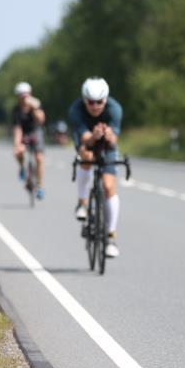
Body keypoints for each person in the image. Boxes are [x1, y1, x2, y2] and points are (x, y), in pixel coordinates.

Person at [68, 77, 124, 258]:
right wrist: (94, 136)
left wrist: (107, 135)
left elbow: (114, 140)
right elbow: (85, 139)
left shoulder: (115, 109)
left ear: (105, 100)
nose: (95, 106)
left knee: (108, 186)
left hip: (107, 146)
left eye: (99, 102)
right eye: (91, 102)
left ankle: (111, 237)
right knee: (86, 157)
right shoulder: (76, 110)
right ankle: (82, 203)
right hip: (87, 142)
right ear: (84, 100)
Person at [11, 81, 46, 200]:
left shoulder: (36, 104)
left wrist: (34, 108)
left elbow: (41, 120)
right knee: (18, 151)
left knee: (39, 158)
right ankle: (22, 167)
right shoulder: (17, 110)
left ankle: (40, 186)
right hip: (24, 133)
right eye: (21, 96)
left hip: (36, 131)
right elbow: (17, 129)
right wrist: (17, 144)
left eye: (26, 95)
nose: (24, 98)